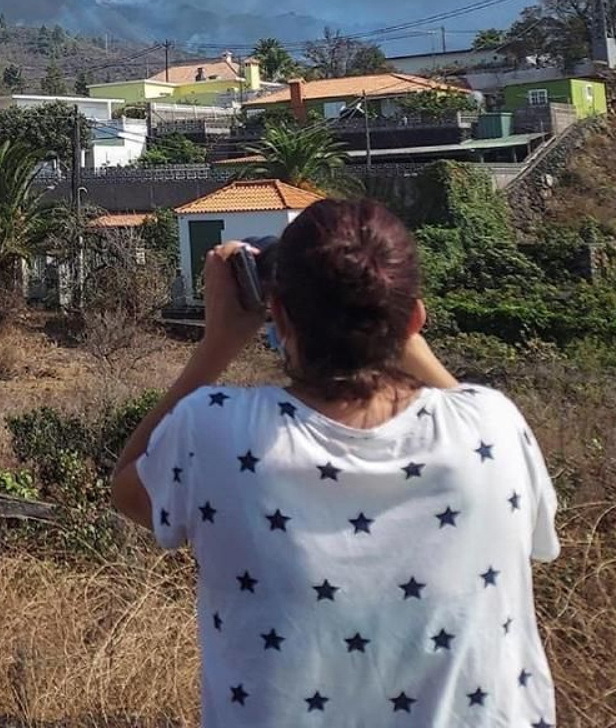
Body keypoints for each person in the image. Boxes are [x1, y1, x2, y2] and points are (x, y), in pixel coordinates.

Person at [110, 198, 559, 727]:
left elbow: (127, 487)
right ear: (415, 318)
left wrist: (218, 344)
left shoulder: (213, 432)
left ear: (279, 316)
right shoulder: (493, 428)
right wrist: (397, 329)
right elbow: (533, 522)